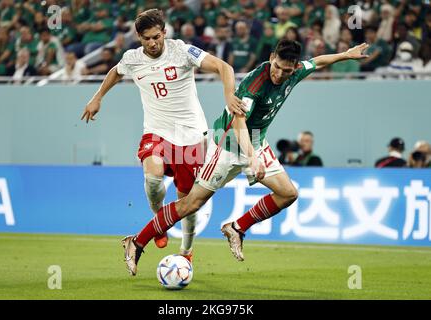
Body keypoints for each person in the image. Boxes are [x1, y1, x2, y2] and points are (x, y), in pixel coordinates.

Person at [122, 39, 369, 276]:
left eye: (286, 71)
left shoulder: (293, 72)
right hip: (228, 142)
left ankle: (236, 228)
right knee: (191, 203)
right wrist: (252, 158)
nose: (279, 74)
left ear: (294, 68)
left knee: (288, 193)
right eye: (277, 67)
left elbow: (318, 61)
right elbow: (239, 121)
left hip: (257, 140)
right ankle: (137, 242)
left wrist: (346, 55)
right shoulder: (255, 84)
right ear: (271, 58)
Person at [81, 9, 245, 262]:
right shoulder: (132, 58)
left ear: (164, 33)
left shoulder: (182, 51)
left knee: (188, 202)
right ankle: (160, 220)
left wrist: (228, 95)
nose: (152, 43)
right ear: (138, 37)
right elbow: (116, 71)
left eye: (157, 36)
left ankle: (187, 251)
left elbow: (223, 67)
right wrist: (97, 97)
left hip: (191, 136)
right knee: (153, 177)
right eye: (146, 38)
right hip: (157, 131)